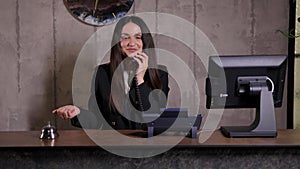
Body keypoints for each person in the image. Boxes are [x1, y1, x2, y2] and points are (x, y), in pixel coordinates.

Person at [52, 16, 170, 129]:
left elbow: (153, 118)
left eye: (138, 37)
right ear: (118, 43)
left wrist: (140, 78)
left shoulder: (160, 74)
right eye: (125, 37)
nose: (132, 43)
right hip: (112, 144)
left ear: (145, 42)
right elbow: (97, 119)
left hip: (148, 145)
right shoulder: (102, 73)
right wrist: (78, 113)